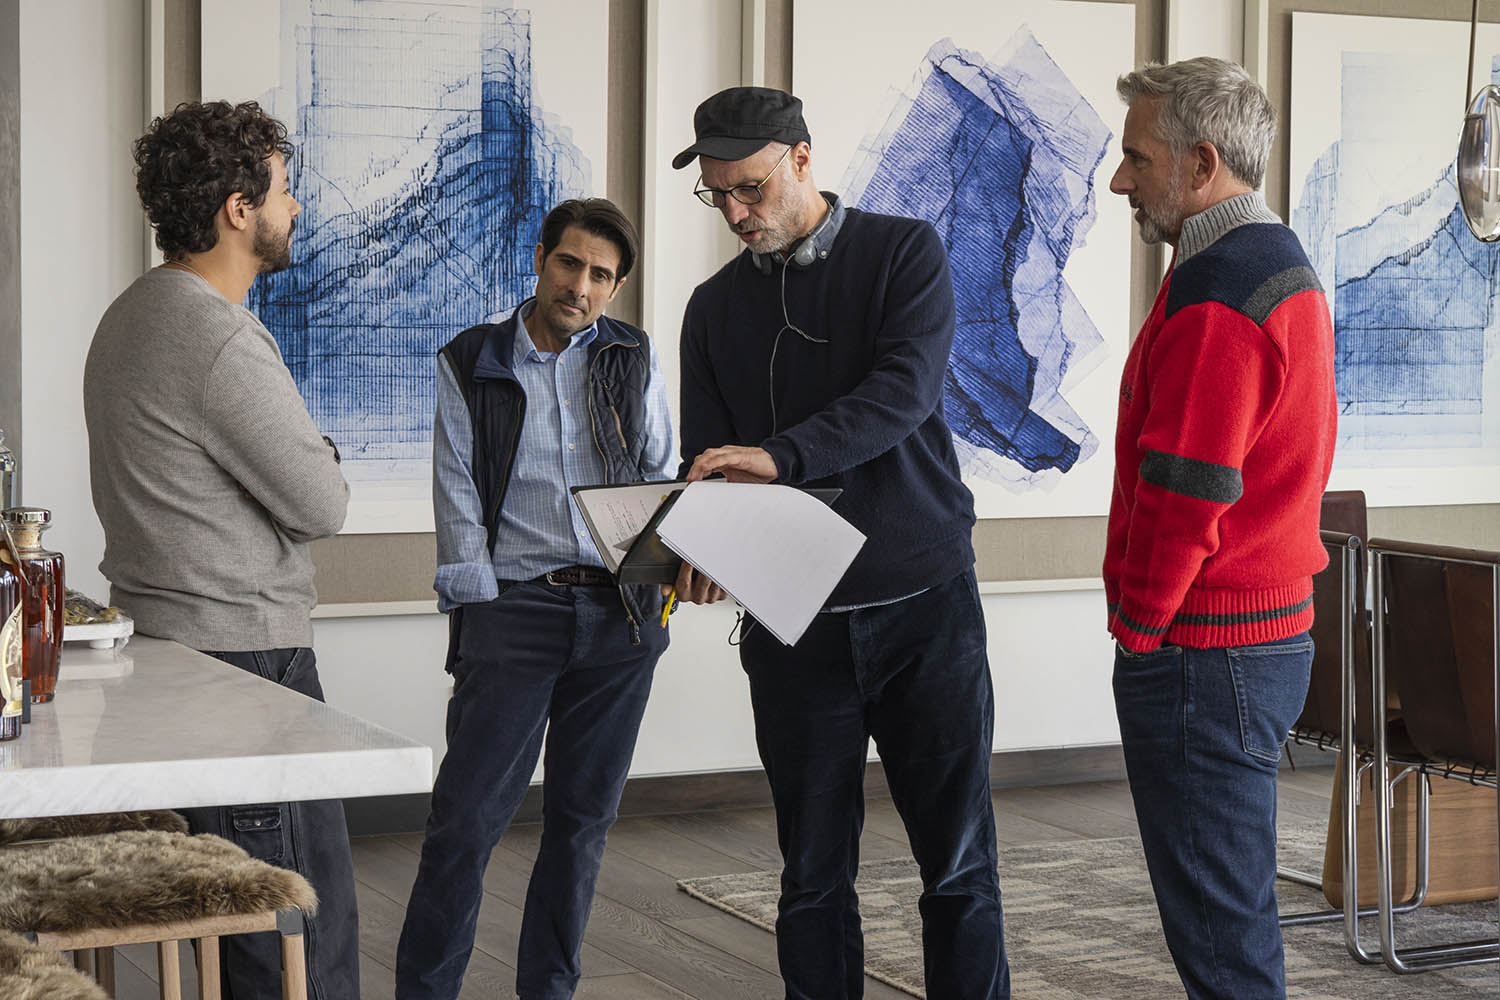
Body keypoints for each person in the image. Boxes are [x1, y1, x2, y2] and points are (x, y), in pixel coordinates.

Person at [670, 86, 1010, 999]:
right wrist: (701, 546)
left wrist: (780, 457)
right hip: (794, 627)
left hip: (924, 610)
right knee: (811, 878)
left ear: (803, 161)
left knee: (958, 867)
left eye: (749, 188)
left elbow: (902, 394)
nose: (736, 212)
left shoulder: (905, 253)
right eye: (718, 196)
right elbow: (706, 463)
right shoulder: (710, 310)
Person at [84, 100, 357, 999]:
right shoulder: (219, 334)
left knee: (219, 933)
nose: (295, 210)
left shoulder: (129, 316)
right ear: (238, 209)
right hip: (250, 665)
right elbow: (320, 501)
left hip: (161, 655)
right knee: (292, 950)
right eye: (284, 191)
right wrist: (319, 455)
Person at [395, 198, 673, 1000]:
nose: (580, 286)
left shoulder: (633, 358)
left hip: (619, 621)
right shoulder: (473, 358)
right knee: (465, 826)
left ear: (614, 287)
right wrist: (477, 605)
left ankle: (549, 990)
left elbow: (661, 475)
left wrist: (652, 604)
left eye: (601, 276)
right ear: (542, 257)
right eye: (569, 263)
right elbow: (455, 490)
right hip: (514, 613)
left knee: (583, 828)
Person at [1103, 57, 1337, 1000]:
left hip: (1207, 650)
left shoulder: (1218, 295)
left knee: (1219, 935)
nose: (1121, 180)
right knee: (1229, 914)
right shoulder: (1271, 263)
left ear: (1202, 164)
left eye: (1136, 158)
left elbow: (1187, 490)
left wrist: (1142, 626)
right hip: (1254, 639)